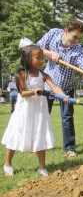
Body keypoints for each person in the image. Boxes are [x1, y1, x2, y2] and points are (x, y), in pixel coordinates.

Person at [37, 19, 83, 158]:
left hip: (67, 87)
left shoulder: (78, 50)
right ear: (66, 31)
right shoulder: (53, 34)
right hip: (48, 84)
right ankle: (38, 145)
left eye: (80, 38)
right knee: (43, 116)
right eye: (74, 37)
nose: (76, 41)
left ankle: (70, 148)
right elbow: (34, 48)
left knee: (67, 118)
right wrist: (49, 53)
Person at [1, 45, 69, 177]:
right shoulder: (21, 74)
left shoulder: (43, 75)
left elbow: (55, 87)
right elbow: (23, 93)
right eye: (37, 58)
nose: (41, 61)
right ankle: (7, 163)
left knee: (40, 134)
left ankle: (42, 168)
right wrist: (34, 91)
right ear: (27, 59)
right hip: (24, 110)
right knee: (17, 133)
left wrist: (64, 96)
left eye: (42, 58)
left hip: (39, 110)